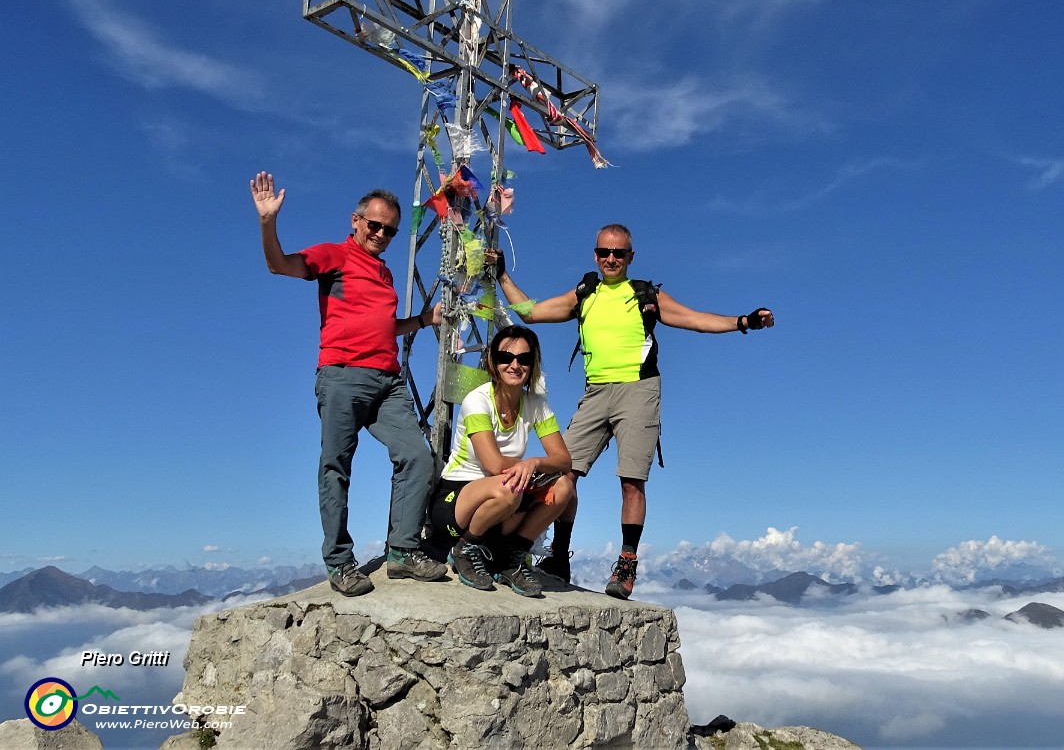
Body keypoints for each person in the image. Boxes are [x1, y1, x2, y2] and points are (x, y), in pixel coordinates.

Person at [488, 223, 774, 599]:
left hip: (640, 390)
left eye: (618, 253)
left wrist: (743, 322)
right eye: (604, 252)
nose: (610, 259)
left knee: (631, 480)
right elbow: (532, 312)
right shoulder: (585, 293)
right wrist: (503, 275)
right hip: (596, 391)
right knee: (563, 470)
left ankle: (626, 563)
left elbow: (695, 319)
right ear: (595, 254)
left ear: (630, 257)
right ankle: (557, 555)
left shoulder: (645, 295)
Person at [250, 171, 447, 597]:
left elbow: (381, 327)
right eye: (373, 225)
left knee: (418, 457)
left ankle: (402, 553)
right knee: (336, 467)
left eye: (389, 230)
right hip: (341, 375)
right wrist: (268, 223)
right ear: (355, 220)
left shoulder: (385, 274)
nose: (380, 234)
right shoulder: (334, 255)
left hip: (387, 382)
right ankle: (339, 562)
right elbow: (278, 265)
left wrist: (420, 321)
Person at [429, 325, 576, 598]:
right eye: (505, 357)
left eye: (524, 359)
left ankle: (511, 558)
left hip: (505, 497)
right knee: (510, 488)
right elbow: (494, 464)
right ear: (493, 363)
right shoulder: (477, 400)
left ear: (533, 365)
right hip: (458, 495)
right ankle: (465, 548)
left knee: (565, 487)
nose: (514, 365)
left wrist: (533, 463)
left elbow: (563, 460)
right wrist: (530, 467)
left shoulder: (535, 403)